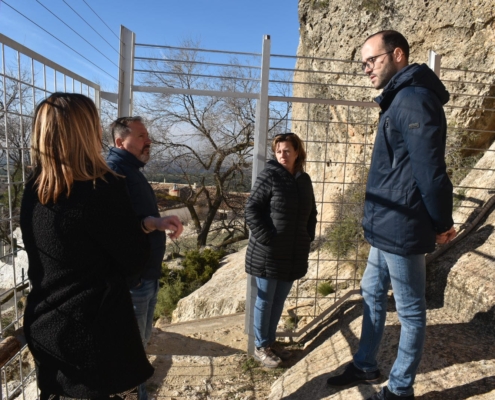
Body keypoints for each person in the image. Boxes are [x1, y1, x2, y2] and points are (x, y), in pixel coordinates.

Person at [325, 31, 457, 400]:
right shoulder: (401, 98)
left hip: (402, 225)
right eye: (363, 63)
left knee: (411, 312)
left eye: (373, 60)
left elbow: (430, 171)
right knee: (370, 289)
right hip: (387, 222)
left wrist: (442, 223)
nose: (367, 68)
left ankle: (400, 390)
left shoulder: (413, 99)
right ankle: (366, 363)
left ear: (398, 55)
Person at [20, 93, 154, 399]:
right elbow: (133, 260)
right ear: (86, 131)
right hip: (94, 336)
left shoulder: (34, 187)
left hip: (46, 326)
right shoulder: (102, 187)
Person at [107, 116, 183, 400]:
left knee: (139, 347)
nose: (148, 140)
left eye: (147, 135)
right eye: (140, 136)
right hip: (133, 279)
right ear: (119, 142)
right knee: (131, 353)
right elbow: (116, 227)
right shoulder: (116, 172)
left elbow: (136, 217)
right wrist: (153, 223)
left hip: (144, 275)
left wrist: (158, 222)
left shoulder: (130, 170)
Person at [245, 132, 318, 368]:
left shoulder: (303, 180)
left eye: (287, 150)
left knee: (278, 300)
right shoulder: (270, 175)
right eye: (278, 151)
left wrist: (308, 236)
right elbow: (252, 209)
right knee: (265, 300)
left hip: (294, 252)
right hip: (269, 252)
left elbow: (312, 213)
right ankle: (261, 346)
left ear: (297, 152)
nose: (282, 155)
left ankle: (270, 342)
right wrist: (268, 238)